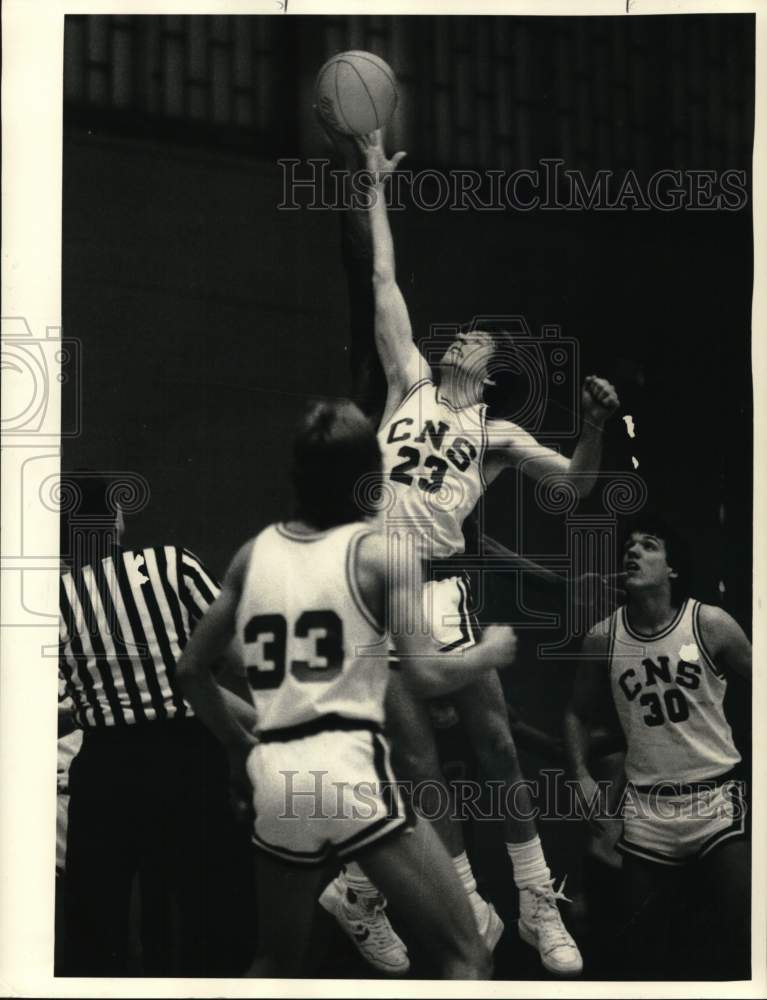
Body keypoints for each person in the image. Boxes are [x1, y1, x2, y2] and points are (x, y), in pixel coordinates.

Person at [318, 127, 620, 978]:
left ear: (488, 376)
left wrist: (594, 429)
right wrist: (374, 183)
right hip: (375, 583)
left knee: (492, 738)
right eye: (463, 339)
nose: (463, 341)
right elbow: (381, 276)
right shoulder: (407, 375)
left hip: (440, 588)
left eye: (480, 345)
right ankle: (457, 901)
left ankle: (529, 900)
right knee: (412, 763)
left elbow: (571, 486)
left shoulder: (493, 432)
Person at [176, 399, 519, 979]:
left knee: (274, 959)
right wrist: (488, 653)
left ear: (296, 474)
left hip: (278, 775)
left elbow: (190, 669)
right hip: (346, 766)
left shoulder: (252, 555)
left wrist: (240, 747)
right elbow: (427, 673)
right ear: (372, 476)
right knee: (469, 955)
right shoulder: (381, 554)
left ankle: (356, 901)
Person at [57, 472, 256, 976]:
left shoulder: (50, 600)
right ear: (118, 519)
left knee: (96, 932)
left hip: (103, 767)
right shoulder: (171, 564)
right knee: (212, 921)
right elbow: (237, 660)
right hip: (187, 757)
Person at [564, 516, 751, 978]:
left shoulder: (710, 623)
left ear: (671, 569)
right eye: (629, 546)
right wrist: (582, 777)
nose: (633, 551)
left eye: (648, 545)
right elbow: (575, 715)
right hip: (647, 811)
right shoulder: (603, 637)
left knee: (740, 935)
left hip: (715, 800)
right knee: (643, 952)